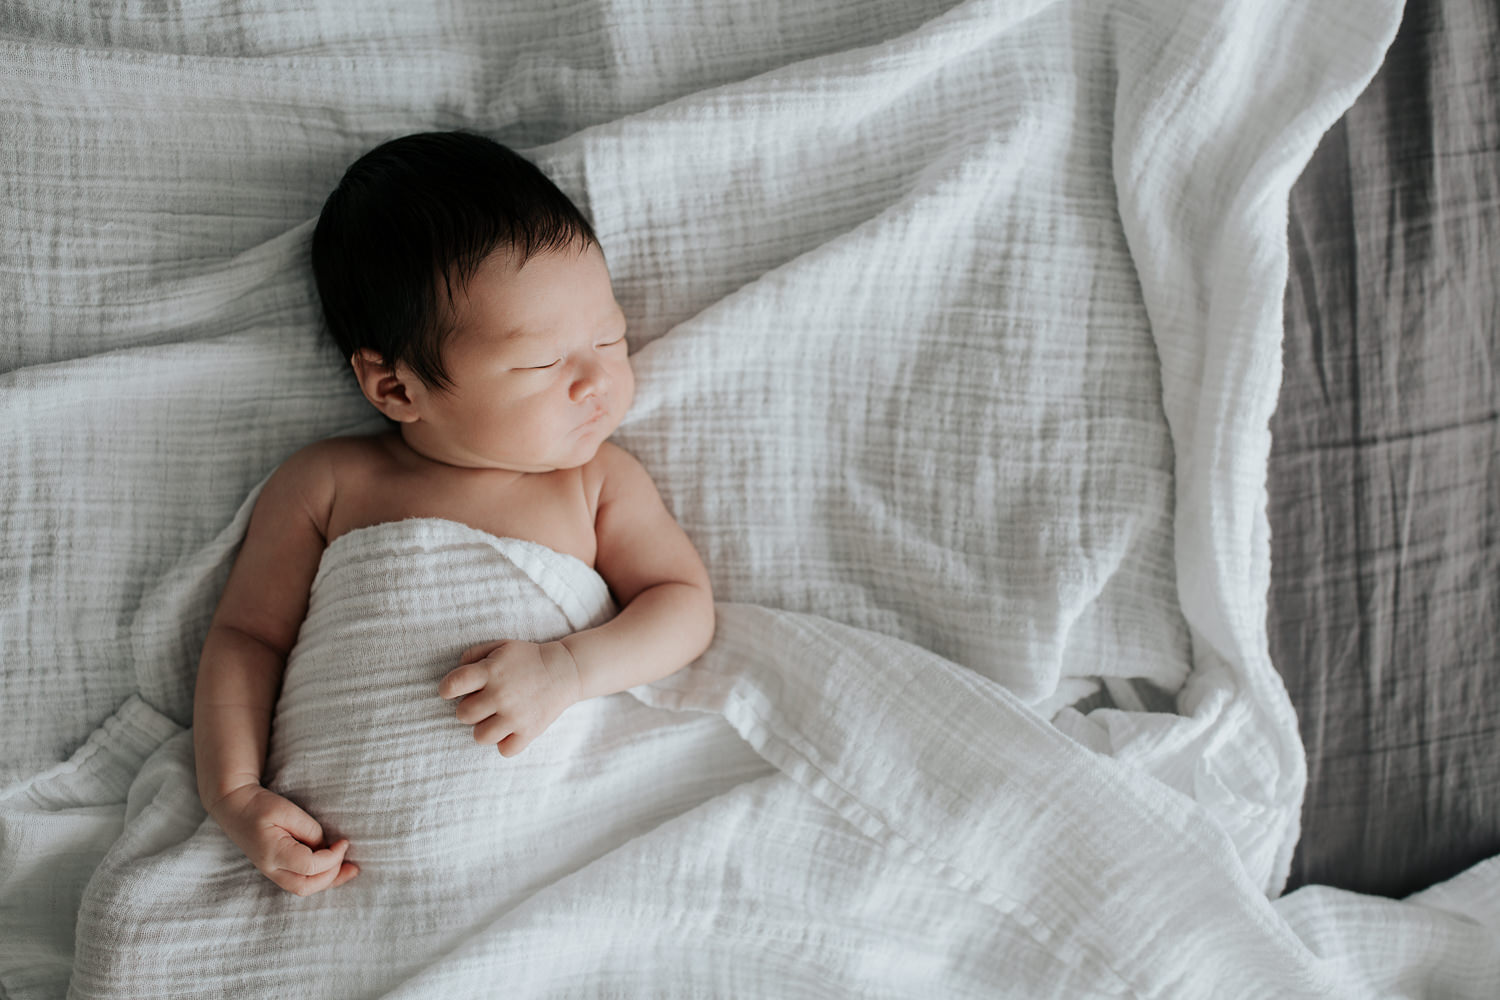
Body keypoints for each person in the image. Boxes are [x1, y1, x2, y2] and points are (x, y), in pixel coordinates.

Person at [192, 131, 715, 897]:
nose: (597, 378)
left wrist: (569, 671)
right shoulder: (327, 482)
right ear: (398, 390)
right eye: (544, 363)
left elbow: (683, 607)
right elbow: (246, 638)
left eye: (611, 336)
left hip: (550, 855)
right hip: (340, 870)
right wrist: (233, 795)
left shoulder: (597, 483)